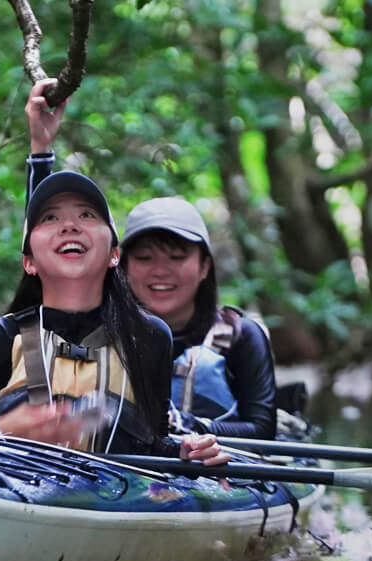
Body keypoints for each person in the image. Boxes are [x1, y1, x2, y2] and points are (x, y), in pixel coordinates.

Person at [0, 167, 227, 464]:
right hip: (16, 495)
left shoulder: (149, 336)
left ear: (113, 254)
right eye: (50, 218)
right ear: (29, 262)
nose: (69, 225)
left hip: (115, 502)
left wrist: (184, 450)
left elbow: (153, 443)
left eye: (87, 216)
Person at [25, 80, 279, 439]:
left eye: (177, 257)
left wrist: (188, 429)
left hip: (217, 472)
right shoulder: (101, 330)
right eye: (144, 257)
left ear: (204, 266)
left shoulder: (239, 337)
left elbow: (262, 427)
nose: (161, 271)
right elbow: (43, 256)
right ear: (122, 267)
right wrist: (41, 149)